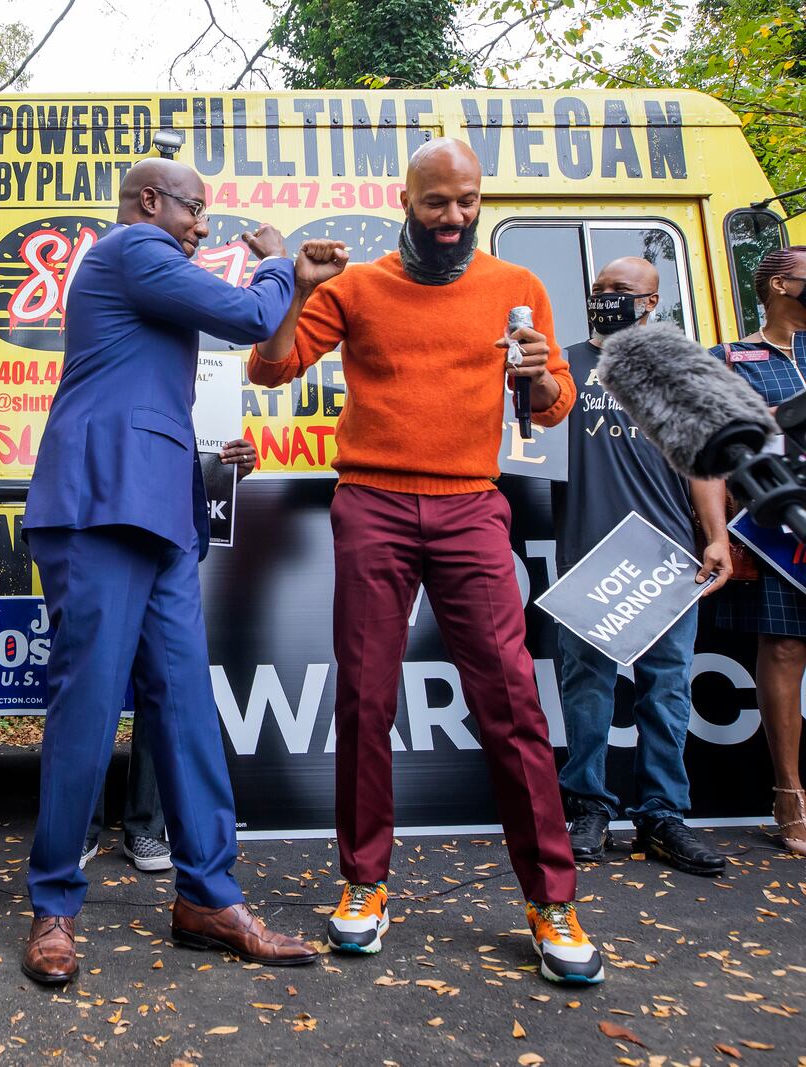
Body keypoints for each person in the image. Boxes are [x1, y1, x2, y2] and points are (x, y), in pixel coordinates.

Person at [248, 138, 605, 985]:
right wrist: (298, 289)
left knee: (512, 699)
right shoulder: (360, 285)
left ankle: (552, 900)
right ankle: (364, 884)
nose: (454, 218)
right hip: (371, 499)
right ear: (406, 199)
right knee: (367, 696)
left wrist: (537, 378)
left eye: (467, 202)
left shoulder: (515, 289)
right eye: (438, 202)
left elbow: (554, 407)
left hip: (471, 504)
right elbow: (271, 368)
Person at [20, 156, 332, 986]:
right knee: (87, 703)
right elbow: (245, 312)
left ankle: (207, 896)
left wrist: (292, 286)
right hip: (99, 503)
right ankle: (53, 904)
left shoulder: (153, 272)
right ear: (151, 200)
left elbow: (268, 334)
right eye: (196, 209)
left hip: (157, 507)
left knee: (188, 706)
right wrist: (275, 257)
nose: (202, 224)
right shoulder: (132, 248)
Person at [552, 257, 732, 876]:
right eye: (599, 290)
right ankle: (588, 806)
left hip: (666, 558)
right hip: (588, 557)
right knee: (587, 690)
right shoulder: (561, 365)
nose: (606, 298)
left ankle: (662, 816)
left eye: (621, 292)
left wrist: (716, 537)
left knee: (667, 687)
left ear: (652, 303)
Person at [82, 439, 259, 876]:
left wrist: (232, 467)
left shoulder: (197, 389)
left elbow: (209, 472)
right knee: (91, 685)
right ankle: (79, 828)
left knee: (164, 685)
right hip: (105, 533)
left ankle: (145, 824)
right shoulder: (111, 377)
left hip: (170, 540)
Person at [709, 246, 806, 856]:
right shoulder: (730, 357)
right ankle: (790, 793)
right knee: (786, 648)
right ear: (778, 284)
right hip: (777, 527)